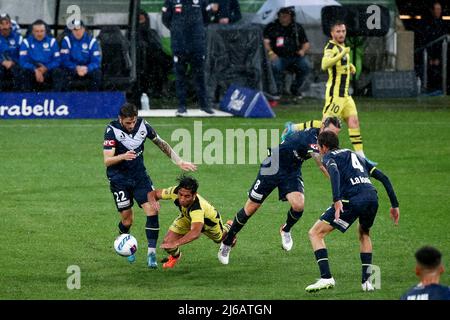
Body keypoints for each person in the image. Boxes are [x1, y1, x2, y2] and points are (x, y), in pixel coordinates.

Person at [218, 117, 341, 265]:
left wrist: (287, 134)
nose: (333, 137)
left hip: (291, 171)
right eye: (331, 132)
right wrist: (340, 186)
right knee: (251, 208)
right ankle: (227, 241)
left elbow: (291, 129)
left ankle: (285, 229)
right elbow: (322, 165)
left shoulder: (322, 137)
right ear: (322, 127)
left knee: (298, 205)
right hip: (273, 166)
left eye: (336, 134)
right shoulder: (313, 141)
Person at [103, 103, 197, 268]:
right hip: (119, 180)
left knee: (153, 210)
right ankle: (124, 244)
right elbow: (107, 160)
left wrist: (179, 161)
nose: (131, 126)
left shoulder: (143, 126)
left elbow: (161, 143)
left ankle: (151, 254)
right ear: (120, 119)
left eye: (133, 122)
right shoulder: (112, 130)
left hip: (140, 178)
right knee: (127, 220)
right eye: (127, 123)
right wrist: (123, 156)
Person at [305, 130, 400, 292]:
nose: (319, 150)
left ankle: (326, 278)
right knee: (364, 233)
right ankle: (367, 282)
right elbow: (383, 177)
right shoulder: (352, 153)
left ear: (325, 147)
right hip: (372, 197)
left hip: (352, 200)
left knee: (315, 233)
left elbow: (333, 172)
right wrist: (394, 205)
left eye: (320, 147)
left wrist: (337, 200)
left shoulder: (330, 156)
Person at [148, 175, 235, 269]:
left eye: (187, 196)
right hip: (187, 217)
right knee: (167, 243)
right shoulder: (175, 191)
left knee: (221, 239)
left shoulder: (197, 208)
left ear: (194, 195)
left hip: (209, 223)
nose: (182, 199)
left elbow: (195, 233)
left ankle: (229, 226)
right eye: (180, 194)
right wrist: (153, 201)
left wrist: (176, 243)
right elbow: (153, 193)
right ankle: (175, 257)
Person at [321, 21, 376, 165]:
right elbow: (325, 64)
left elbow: (340, 64)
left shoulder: (341, 46)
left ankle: (362, 157)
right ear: (332, 33)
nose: (341, 34)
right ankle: (295, 129)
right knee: (327, 126)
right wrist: (342, 55)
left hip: (345, 95)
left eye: (343, 31)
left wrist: (349, 65)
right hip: (335, 94)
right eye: (338, 31)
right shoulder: (331, 47)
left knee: (354, 122)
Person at [162, 0, 215, 116]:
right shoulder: (172, 1)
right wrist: (178, 30)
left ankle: (204, 105)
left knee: (200, 75)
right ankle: (182, 106)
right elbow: (165, 19)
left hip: (197, 44)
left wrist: (197, 31)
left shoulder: (201, 1)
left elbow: (208, 18)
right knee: (180, 76)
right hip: (179, 44)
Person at [263, 7, 311, 99]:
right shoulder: (272, 26)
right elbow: (265, 42)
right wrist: (270, 52)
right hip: (278, 56)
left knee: (305, 66)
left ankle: (295, 89)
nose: (283, 17)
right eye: (281, 15)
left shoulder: (297, 27)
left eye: (286, 15)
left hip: (296, 56)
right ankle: (277, 91)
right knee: (275, 66)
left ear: (291, 16)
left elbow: (306, 43)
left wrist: (303, 50)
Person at [137, 9, 172, 100]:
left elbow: (157, 46)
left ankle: (159, 89)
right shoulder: (133, 33)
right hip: (140, 60)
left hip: (153, 59)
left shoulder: (151, 32)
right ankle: (157, 89)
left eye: (142, 19)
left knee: (159, 63)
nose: (141, 22)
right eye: (139, 19)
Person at [19, 19, 63, 91]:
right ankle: (26, 99)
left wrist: (46, 68)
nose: (39, 34)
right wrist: (35, 69)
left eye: (42, 31)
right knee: (23, 72)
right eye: (37, 31)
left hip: (48, 68)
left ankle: (56, 99)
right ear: (33, 32)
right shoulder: (26, 42)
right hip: (32, 69)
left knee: (58, 72)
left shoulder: (52, 41)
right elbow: (22, 61)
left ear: (45, 31)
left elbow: (57, 60)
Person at [60, 20, 102, 91]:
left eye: (80, 29)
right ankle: (65, 99)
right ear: (72, 30)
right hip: (72, 68)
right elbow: (64, 60)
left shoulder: (92, 41)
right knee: (62, 74)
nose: (78, 32)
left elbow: (96, 61)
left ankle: (93, 99)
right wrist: (76, 68)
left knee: (97, 74)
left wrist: (87, 68)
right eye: (75, 30)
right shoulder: (67, 40)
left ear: (84, 29)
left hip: (87, 68)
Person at [420, 2, 448, 93]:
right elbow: (425, 42)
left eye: (439, 9)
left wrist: (439, 58)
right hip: (429, 56)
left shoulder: (443, 25)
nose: (438, 11)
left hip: (441, 56)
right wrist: (430, 58)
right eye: (436, 9)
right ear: (432, 11)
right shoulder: (426, 23)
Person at [0, 14, 23, 91]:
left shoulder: (18, 38)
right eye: (1, 24)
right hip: (1, 64)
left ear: (10, 24)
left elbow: (22, 54)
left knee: (19, 71)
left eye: (6, 23)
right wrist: (2, 61)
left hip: (15, 64)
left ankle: (17, 99)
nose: (4, 27)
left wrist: (12, 62)